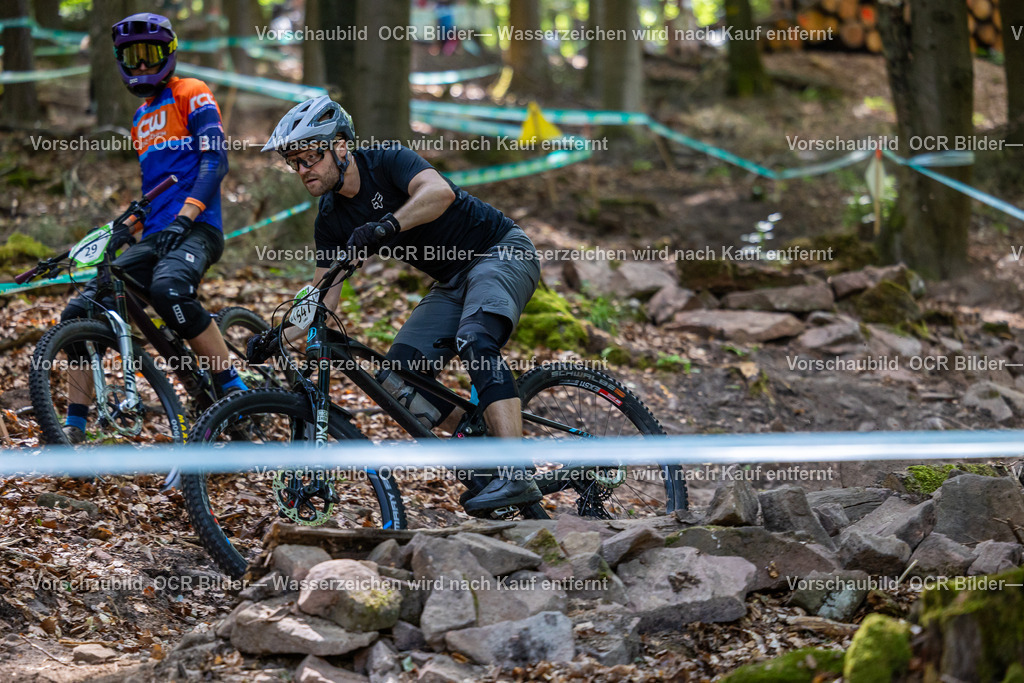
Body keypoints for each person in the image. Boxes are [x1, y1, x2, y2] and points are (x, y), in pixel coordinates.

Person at [260, 95, 542, 516]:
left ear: (340, 146)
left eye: (309, 157)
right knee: (398, 379)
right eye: (294, 162)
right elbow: (325, 293)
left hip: (499, 251)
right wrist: (277, 335)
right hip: (451, 281)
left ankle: (516, 472)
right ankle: (480, 451)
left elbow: (439, 192)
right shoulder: (331, 218)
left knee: (476, 338)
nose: (302, 171)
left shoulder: (387, 161)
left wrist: (386, 225)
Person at [60, 13, 244, 444]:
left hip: (199, 228)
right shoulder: (140, 121)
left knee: (169, 289)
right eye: (132, 57)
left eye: (150, 55)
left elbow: (215, 161)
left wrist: (187, 214)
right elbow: (154, 193)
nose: (142, 66)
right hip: (159, 236)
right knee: (80, 311)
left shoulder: (192, 93)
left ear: (168, 54)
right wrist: (127, 225)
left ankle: (231, 385)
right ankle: (74, 423)